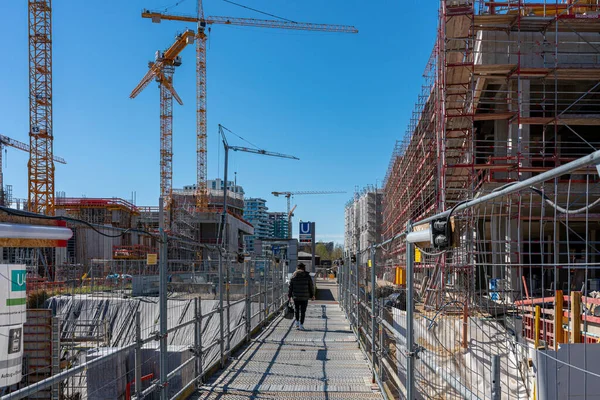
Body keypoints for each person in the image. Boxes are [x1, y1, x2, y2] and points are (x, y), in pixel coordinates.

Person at [288, 263, 315, 330]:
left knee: (296, 310)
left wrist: (289, 295)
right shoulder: (307, 276)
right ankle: (301, 324)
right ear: (304, 268)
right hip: (305, 296)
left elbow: (290, 287)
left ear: (297, 268)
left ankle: (296, 322)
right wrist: (312, 295)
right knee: (303, 311)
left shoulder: (293, 276)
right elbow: (311, 286)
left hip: (296, 296)